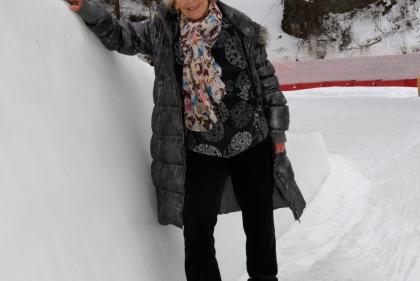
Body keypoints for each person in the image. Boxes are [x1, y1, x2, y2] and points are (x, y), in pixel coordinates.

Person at [67, 0, 306, 280]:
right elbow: (122, 36)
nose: (190, 2)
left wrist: (278, 132)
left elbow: (267, 82)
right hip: (201, 147)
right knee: (197, 225)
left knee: (259, 221)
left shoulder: (241, 28)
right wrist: (87, 9)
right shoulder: (163, 31)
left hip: (251, 142)